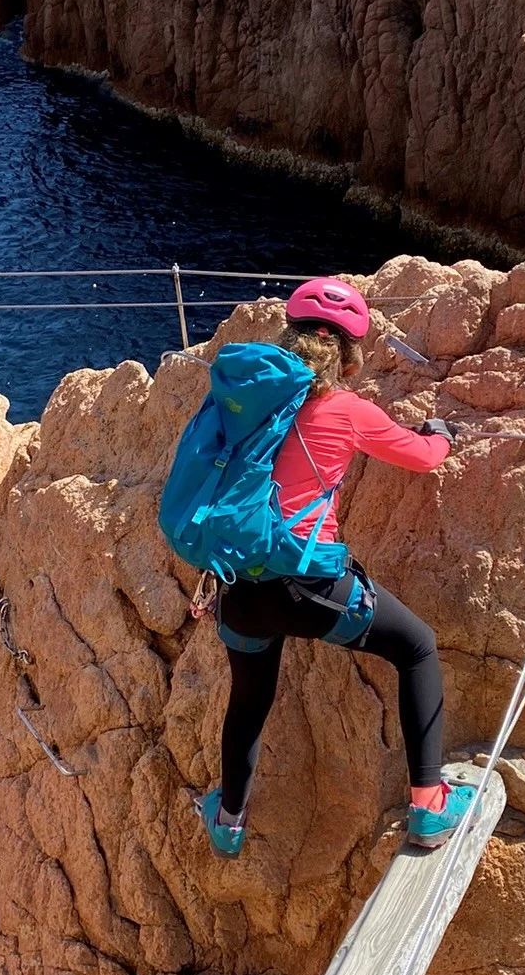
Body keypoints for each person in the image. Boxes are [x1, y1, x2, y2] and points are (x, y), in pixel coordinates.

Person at [199, 277, 475, 858]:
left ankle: (228, 822)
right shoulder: (348, 411)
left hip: (239, 587)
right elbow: (424, 457)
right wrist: (441, 434)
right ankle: (429, 805)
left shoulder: (246, 403)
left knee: (250, 699)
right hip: (308, 586)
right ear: (348, 358)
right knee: (417, 648)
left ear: (286, 339)